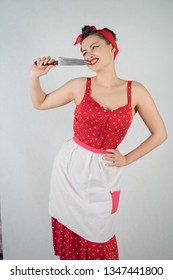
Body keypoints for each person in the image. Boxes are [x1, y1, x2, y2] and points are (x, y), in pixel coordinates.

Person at [29, 25, 167, 260]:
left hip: (104, 174)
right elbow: (40, 103)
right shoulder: (79, 85)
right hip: (70, 171)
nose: (88, 54)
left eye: (94, 47)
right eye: (83, 52)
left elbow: (160, 134)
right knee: (72, 235)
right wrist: (35, 76)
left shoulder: (137, 90)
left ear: (112, 48)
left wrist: (126, 159)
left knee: (99, 235)